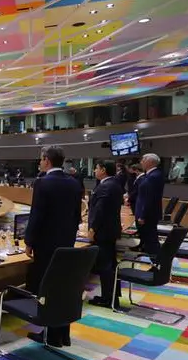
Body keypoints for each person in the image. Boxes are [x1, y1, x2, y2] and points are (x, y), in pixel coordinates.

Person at [23, 146, 82, 347]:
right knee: (62, 287)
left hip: (46, 244)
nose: (39, 163)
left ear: (47, 160)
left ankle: (49, 333)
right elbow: (76, 215)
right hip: (67, 242)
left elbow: (36, 215)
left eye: (40, 159)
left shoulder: (42, 182)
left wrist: (29, 241)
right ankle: (62, 334)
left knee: (46, 288)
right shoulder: (74, 183)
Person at [87, 160, 124, 308]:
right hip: (111, 230)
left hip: (103, 232)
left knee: (105, 266)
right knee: (110, 264)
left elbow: (99, 211)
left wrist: (92, 229)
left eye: (96, 168)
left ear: (103, 170)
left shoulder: (105, 186)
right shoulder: (115, 184)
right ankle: (112, 296)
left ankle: (108, 299)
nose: (95, 171)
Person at [135, 153, 164, 254]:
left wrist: (143, 215)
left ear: (150, 162)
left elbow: (149, 198)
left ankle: (155, 261)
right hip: (147, 212)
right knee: (147, 237)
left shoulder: (154, 176)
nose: (141, 162)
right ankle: (146, 252)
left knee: (150, 238)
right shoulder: (151, 174)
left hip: (148, 214)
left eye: (143, 160)